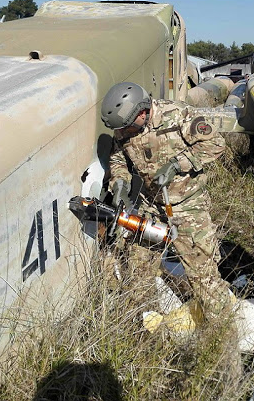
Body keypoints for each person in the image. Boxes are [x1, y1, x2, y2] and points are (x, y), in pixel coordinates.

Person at [100, 82, 233, 322]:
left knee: (203, 278)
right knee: (137, 271)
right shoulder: (125, 126)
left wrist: (176, 165)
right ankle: (144, 327)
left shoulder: (179, 115)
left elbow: (216, 145)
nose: (125, 133)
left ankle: (223, 334)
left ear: (142, 113)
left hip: (187, 207)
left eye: (129, 127)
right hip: (151, 206)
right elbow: (118, 159)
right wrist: (119, 183)